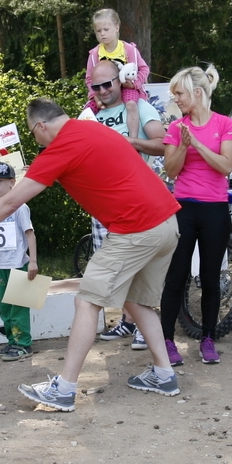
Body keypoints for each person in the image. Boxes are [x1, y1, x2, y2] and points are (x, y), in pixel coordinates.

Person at [0, 99, 181, 413]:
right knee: (136, 299)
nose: (37, 143)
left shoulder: (61, 146)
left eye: (35, 136)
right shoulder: (91, 128)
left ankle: (64, 389)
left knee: (86, 300)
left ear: (40, 126)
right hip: (167, 223)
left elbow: (9, 203)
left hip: (135, 228)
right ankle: (163, 374)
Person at [158, 66, 232, 366]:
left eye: (179, 93)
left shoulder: (225, 124)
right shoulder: (175, 128)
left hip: (214, 209)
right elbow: (170, 171)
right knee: (176, 277)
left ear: (196, 92)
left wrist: (196, 143)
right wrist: (182, 145)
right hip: (183, 208)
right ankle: (166, 341)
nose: (176, 99)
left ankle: (208, 338)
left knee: (210, 278)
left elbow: (226, 166)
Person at [88, 58, 166, 351]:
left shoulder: (140, 107)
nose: (103, 90)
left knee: (135, 268)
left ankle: (146, 328)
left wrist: (133, 142)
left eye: (108, 84)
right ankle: (129, 322)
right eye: (96, 86)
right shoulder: (91, 113)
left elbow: (163, 142)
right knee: (112, 268)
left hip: (135, 201)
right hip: (101, 202)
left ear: (120, 80)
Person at [0, 161, 39, 361]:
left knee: (18, 306)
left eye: (0, 181)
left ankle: (24, 344)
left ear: (12, 182)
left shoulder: (20, 208)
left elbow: (30, 234)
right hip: (1, 267)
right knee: (4, 306)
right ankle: (12, 342)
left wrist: (33, 261)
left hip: (18, 263)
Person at [83, 9, 150, 138]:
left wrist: (135, 84)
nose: (102, 34)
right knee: (87, 112)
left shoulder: (129, 49)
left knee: (131, 104)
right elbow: (89, 79)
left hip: (127, 88)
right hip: (104, 92)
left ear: (117, 28)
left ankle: (133, 139)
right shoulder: (94, 54)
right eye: (99, 31)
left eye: (106, 29)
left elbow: (144, 69)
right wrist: (94, 96)